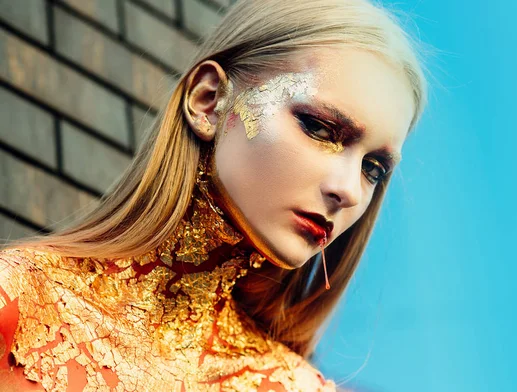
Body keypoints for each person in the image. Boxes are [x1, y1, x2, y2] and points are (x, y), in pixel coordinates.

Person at [0, 0, 427, 390]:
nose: (349, 190)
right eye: (319, 128)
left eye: (374, 169)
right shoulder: (18, 303)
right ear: (208, 101)